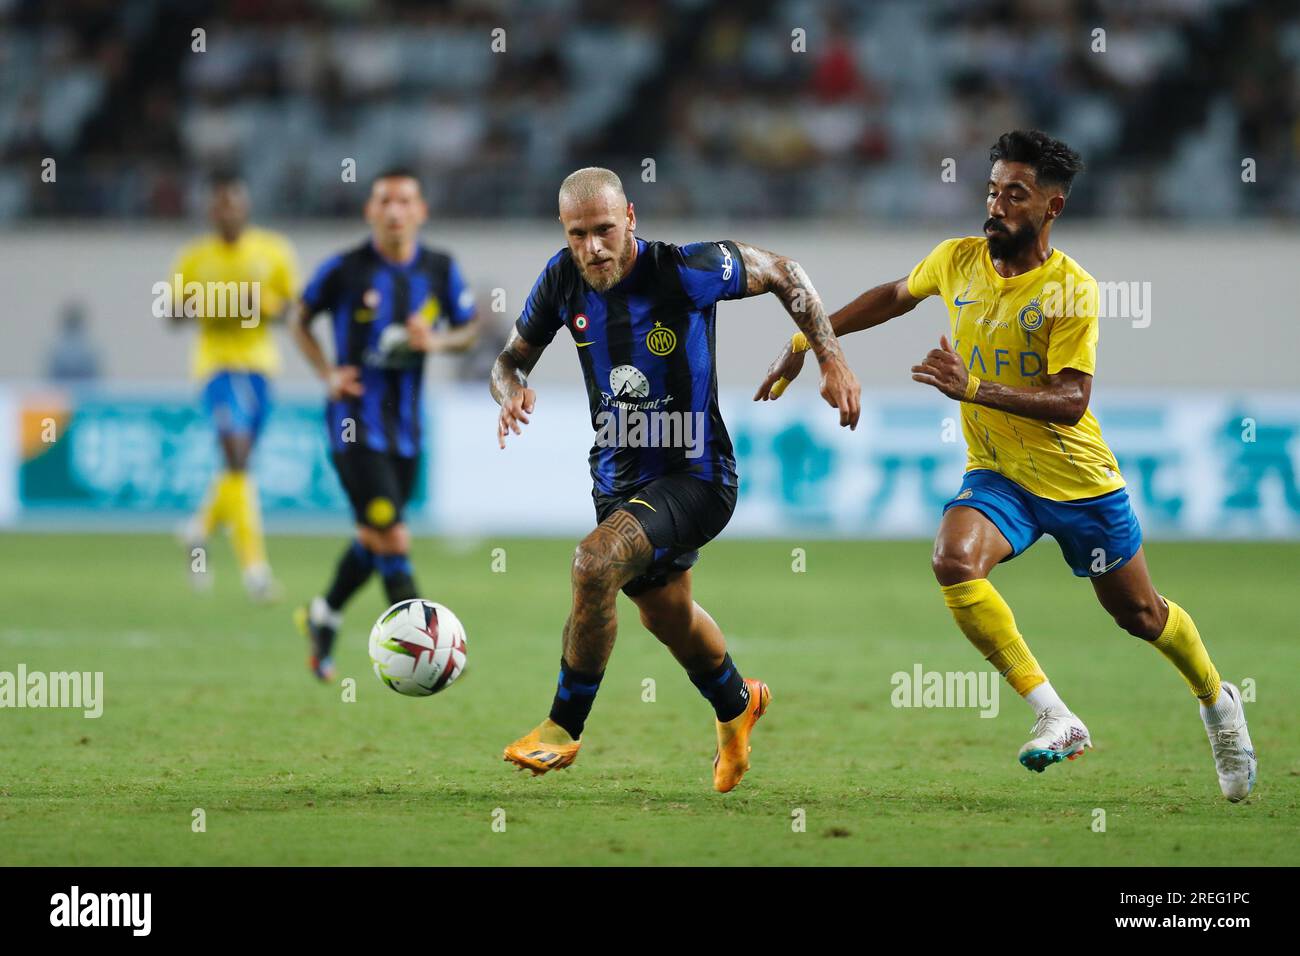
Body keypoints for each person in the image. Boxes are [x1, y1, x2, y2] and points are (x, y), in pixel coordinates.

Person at [755, 130, 1256, 801]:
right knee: (953, 560)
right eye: (993, 191)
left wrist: (973, 389)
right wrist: (806, 338)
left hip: (1081, 485)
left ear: (1051, 207)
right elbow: (893, 295)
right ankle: (1056, 714)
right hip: (999, 476)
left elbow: (1073, 401)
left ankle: (1217, 703)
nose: (996, 205)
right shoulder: (957, 260)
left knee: (1140, 616)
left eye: (1014, 195)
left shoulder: (1070, 290)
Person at [491, 167, 860, 792]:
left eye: (604, 230)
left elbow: (785, 273)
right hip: (619, 481)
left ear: (630, 217)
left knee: (593, 563)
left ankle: (562, 727)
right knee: (667, 615)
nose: (593, 248)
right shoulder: (561, 278)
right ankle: (737, 704)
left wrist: (827, 356)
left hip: (697, 475)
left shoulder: (685, 269)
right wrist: (510, 391)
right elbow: (508, 361)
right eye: (578, 234)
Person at [292, 167, 479, 681]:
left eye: (405, 201)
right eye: (384, 201)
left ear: (421, 211)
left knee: (374, 536)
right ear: (370, 211)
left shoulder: (440, 269)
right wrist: (328, 373)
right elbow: (298, 319)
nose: (394, 210)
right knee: (393, 537)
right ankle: (428, 651)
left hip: (407, 431)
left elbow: (466, 331)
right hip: (354, 424)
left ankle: (323, 613)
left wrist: (433, 342)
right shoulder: (345, 269)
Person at [172, 171, 299, 602]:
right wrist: (209, 305)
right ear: (211, 210)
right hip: (216, 368)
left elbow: (294, 310)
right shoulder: (194, 257)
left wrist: (262, 305)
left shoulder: (273, 250)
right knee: (238, 458)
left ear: (245, 207)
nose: (227, 211)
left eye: (234, 203)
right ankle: (255, 571)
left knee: (236, 470)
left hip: (261, 369)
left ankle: (198, 529)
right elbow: (170, 312)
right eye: (220, 204)